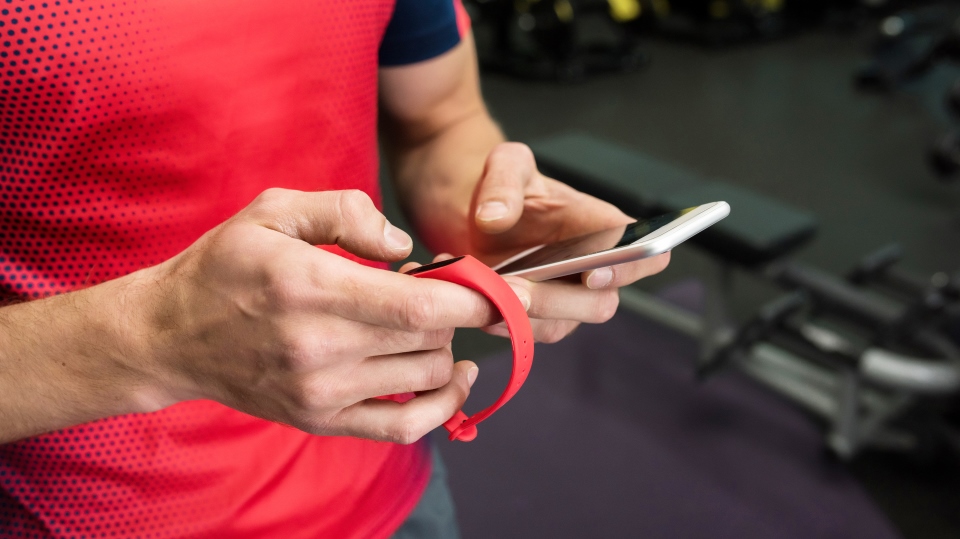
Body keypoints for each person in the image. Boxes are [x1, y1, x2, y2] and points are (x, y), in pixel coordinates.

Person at [0, 0, 668, 537]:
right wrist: (157, 338)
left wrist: (488, 214)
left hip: (391, 489)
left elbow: (441, 117)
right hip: (84, 513)